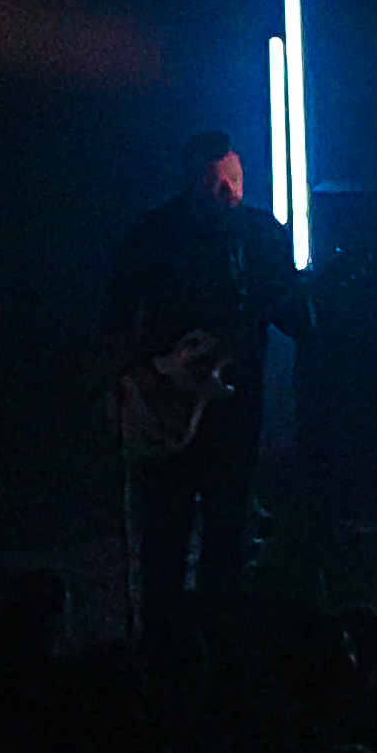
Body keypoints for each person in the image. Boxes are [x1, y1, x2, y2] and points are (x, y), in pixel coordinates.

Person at [104, 130, 310, 635]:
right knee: (167, 532)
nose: (227, 193)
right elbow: (115, 315)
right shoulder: (153, 234)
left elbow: (294, 317)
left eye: (233, 181)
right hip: (169, 408)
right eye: (216, 182)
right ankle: (169, 639)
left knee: (227, 527)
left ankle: (216, 638)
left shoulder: (258, 234)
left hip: (234, 410)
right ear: (190, 181)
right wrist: (141, 381)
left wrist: (304, 303)